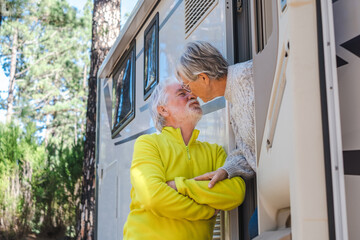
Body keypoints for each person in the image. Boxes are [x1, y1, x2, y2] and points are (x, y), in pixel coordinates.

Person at [123, 79, 246, 240]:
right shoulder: (148, 144)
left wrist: (180, 186)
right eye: (182, 94)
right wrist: (206, 211)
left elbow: (236, 192)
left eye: (192, 92)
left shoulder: (214, 152)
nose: (192, 95)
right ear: (163, 110)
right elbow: (152, 197)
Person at [176, 41, 257, 238]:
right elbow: (248, 150)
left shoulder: (249, 78)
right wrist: (225, 170)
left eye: (187, 85)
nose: (190, 94)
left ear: (203, 78)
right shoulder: (232, 97)